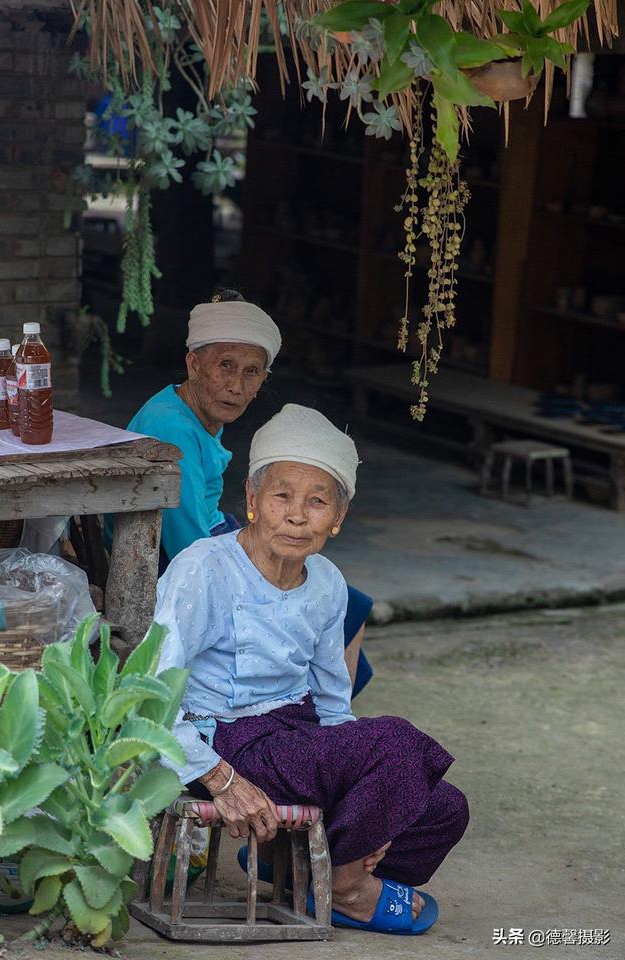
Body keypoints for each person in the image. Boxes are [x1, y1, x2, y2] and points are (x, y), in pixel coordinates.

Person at [153, 404, 469, 935]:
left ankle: (289, 865)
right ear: (252, 500)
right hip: (228, 740)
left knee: (444, 809)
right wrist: (218, 777)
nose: (297, 516)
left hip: (296, 738)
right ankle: (345, 885)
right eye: (282, 496)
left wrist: (375, 792)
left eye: (317, 501)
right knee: (396, 743)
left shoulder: (327, 582)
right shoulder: (204, 569)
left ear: (338, 516)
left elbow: (331, 702)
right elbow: (153, 689)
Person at [127, 291, 372, 695]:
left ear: (263, 380)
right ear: (194, 364)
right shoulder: (172, 428)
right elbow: (187, 543)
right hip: (169, 557)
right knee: (342, 606)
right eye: (225, 366)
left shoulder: (195, 412)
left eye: (251, 372)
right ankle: (313, 711)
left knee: (341, 599)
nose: (236, 386)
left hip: (208, 533)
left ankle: (326, 713)